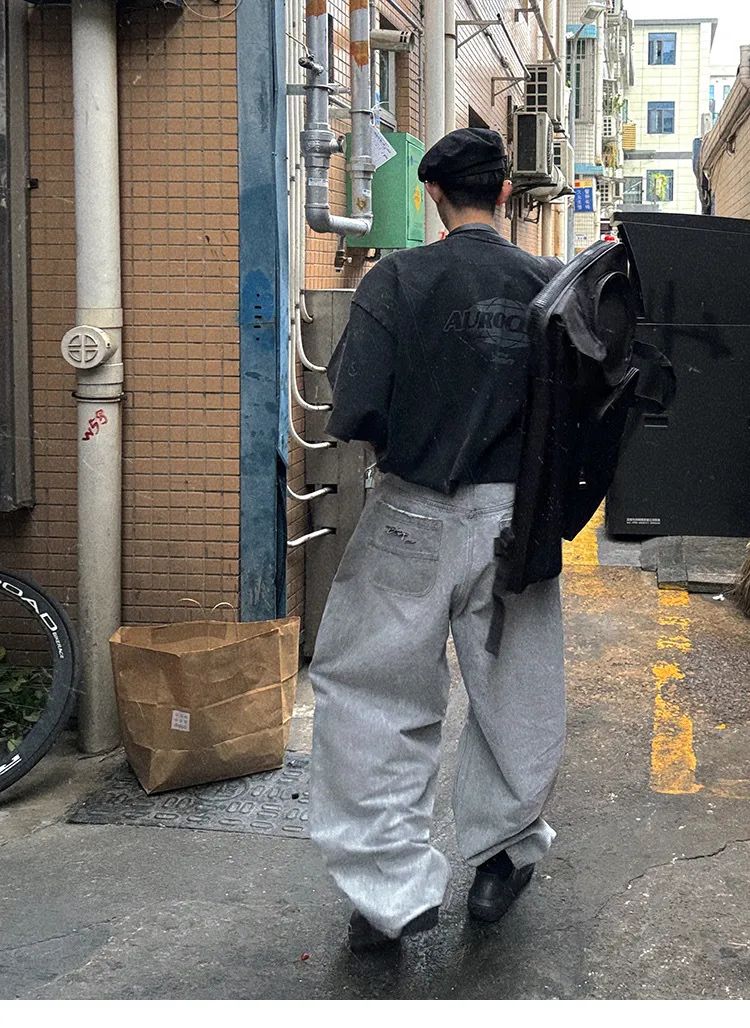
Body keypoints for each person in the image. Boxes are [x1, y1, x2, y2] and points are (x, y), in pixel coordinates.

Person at [308, 127, 566, 954]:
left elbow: (355, 405)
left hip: (410, 513)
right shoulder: (550, 283)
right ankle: (501, 859)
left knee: (373, 695)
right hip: (515, 522)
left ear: (434, 195)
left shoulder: (398, 279)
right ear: (504, 192)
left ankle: (388, 897)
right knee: (516, 694)